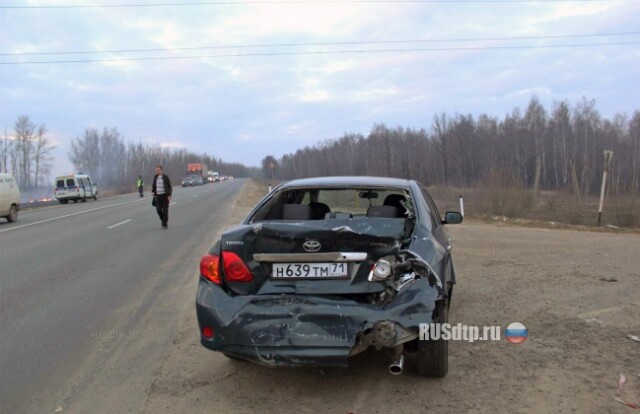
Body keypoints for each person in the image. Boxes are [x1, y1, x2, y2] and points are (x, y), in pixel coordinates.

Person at [151, 165, 172, 229]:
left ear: (161, 170)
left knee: (165, 210)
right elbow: (154, 185)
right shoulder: (155, 177)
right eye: (156, 170)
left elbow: (169, 187)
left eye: (158, 170)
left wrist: (169, 195)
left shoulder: (165, 177)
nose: (157, 171)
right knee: (158, 210)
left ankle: (164, 224)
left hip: (165, 196)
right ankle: (163, 219)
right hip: (158, 197)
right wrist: (153, 191)